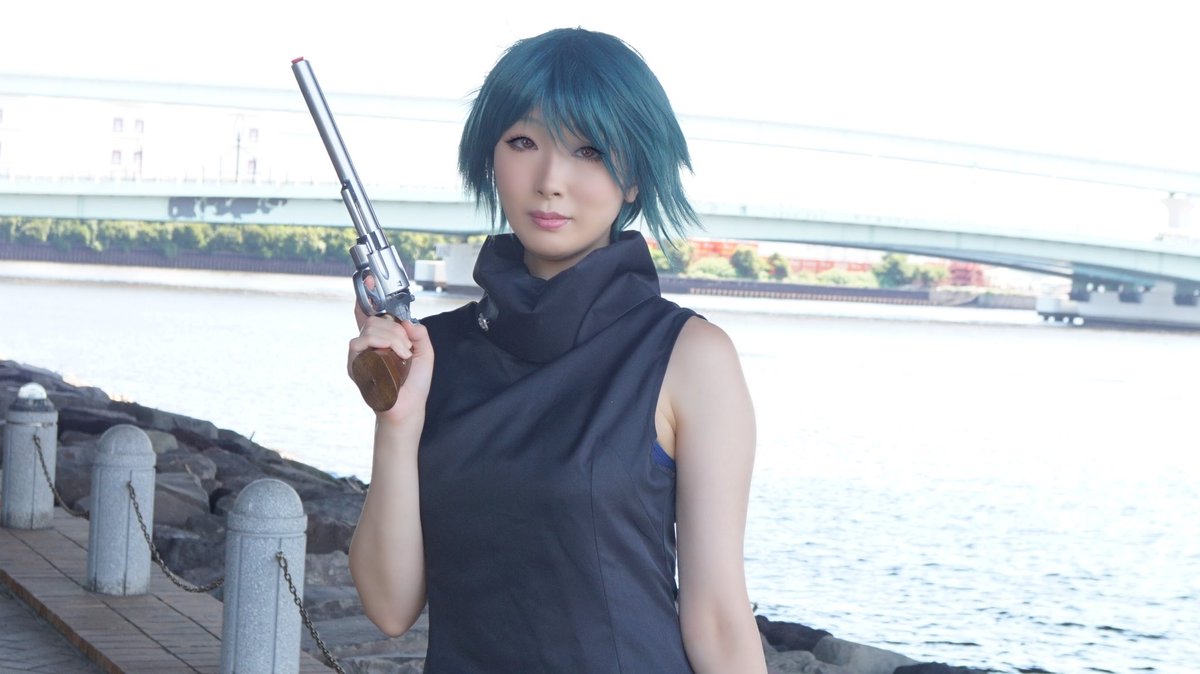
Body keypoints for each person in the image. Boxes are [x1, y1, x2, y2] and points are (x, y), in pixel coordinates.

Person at [347, 27, 766, 673]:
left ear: (635, 178)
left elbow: (717, 618)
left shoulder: (689, 357)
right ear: (491, 157)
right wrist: (396, 422)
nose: (550, 180)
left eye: (589, 150)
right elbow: (389, 607)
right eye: (523, 142)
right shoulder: (435, 353)